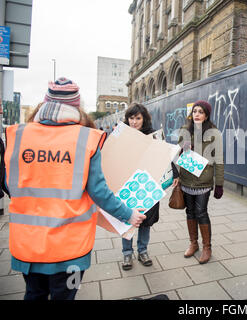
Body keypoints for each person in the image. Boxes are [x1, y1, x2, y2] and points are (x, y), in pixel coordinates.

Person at [5, 77, 146, 300]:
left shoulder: (19, 136)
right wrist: (128, 214)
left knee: (34, 294)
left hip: (28, 246)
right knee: (65, 296)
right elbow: (99, 192)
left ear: (45, 104)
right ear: (76, 107)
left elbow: (9, 184)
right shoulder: (85, 139)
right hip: (69, 250)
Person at [121, 103, 179, 270]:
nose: (134, 122)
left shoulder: (153, 136)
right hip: (128, 184)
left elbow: (165, 156)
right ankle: (126, 254)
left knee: (145, 220)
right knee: (128, 220)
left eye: (137, 118)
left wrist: (174, 173)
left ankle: (143, 251)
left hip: (149, 184)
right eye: (131, 118)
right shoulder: (122, 135)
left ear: (143, 119)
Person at [175, 100, 224, 264]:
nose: (197, 114)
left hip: (204, 180)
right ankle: (193, 243)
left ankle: (207, 247)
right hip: (187, 179)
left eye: (201, 112)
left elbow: (219, 160)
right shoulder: (184, 130)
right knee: (190, 212)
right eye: (195, 111)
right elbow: (177, 155)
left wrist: (219, 184)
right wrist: (183, 149)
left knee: (201, 212)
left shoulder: (214, 133)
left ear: (206, 115)